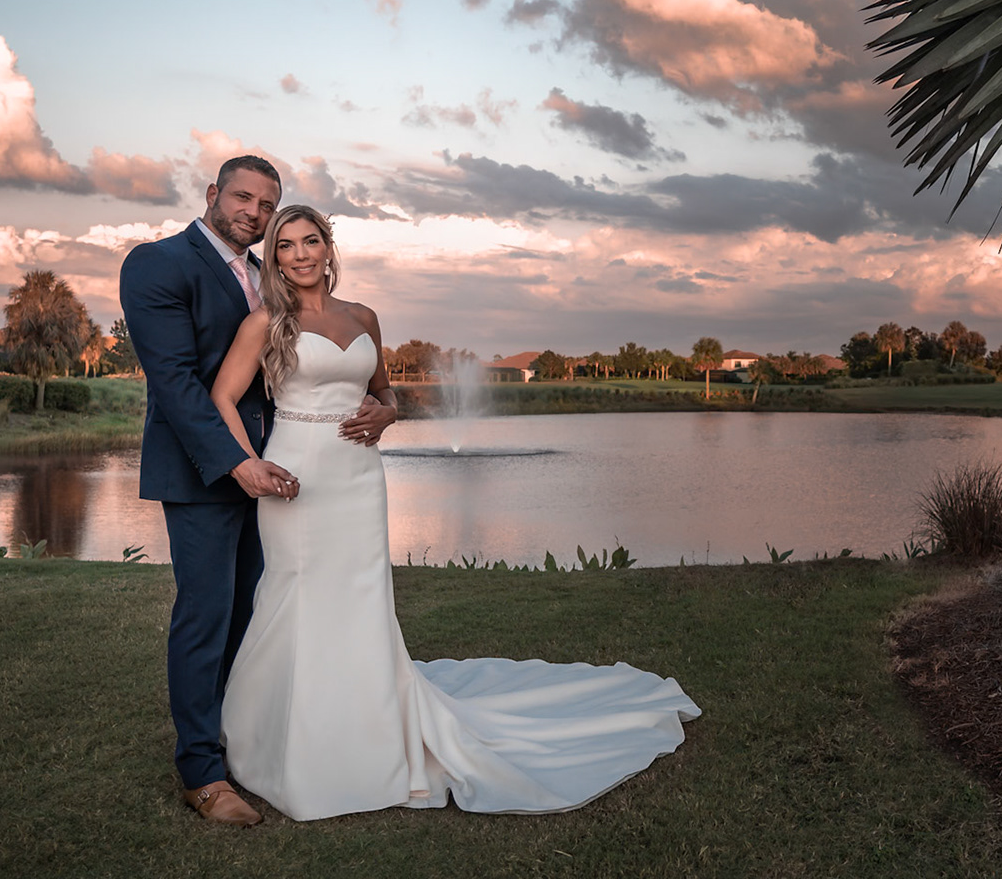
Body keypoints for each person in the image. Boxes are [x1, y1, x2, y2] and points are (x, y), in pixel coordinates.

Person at [209, 205, 701, 821]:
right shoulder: (265, 321)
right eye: (286, 245)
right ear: (276, 258)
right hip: (296, 474)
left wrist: (389, 412)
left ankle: (367, 724)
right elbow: (222, 396)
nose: (300, 254)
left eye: (311, 241)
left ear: (329, 249)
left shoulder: (363, 317)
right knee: (296, 590)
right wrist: (249, 464)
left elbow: (384, 391)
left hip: (358, 475)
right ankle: (285, 736)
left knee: (361, 594)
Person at [117, 156, 327, 827]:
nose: (254, 213)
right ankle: (202, 773)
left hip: (271, 470)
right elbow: (176, 382)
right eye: (242, 197)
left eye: (267, 205)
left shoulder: (269, 277)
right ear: (213, 194)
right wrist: (239, 464)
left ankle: (241, 741)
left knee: (251, 615)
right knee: (205, 617)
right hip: (204, 471)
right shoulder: (157, 264)